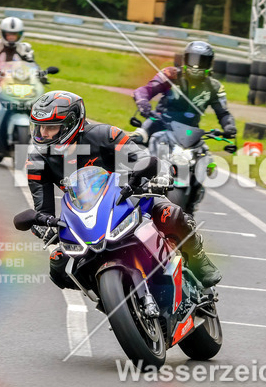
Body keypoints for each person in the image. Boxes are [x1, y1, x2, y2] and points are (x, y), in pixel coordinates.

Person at [25, 90, 222, 291]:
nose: (42, 134)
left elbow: (142, 157)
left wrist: (160, 174)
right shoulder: (37, 160)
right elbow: (43, 209)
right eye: (39, 127)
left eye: (50, 128)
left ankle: (199, 260)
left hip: (129, 196)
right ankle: (112, 300)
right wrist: (43, 226)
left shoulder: (106, 135)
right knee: (59, 267)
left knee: (171, 214)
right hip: (84, 214)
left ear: (70, 124)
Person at [132, 40, 237, 146]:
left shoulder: (215, 87)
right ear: (185, 60)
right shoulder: (170, 74)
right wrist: (142, 100)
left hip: (190, 133)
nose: (196, 66)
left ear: (210, 64)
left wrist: (229, 126)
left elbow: (223, 113)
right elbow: (145, 90)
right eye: (192, 60)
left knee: (203, 155)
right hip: (158, 123)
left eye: (202, 61)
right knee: (136, 141)